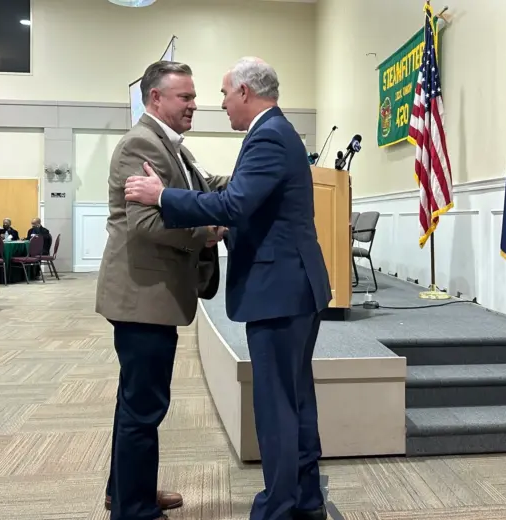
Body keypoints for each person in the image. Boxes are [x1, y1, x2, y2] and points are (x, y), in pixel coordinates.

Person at [125, 57, 332, 520]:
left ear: (244, 93)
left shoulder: (268, 135)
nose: (217, 104)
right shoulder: (275, 132)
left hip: (280, 290)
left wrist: (161, 196)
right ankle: (305, 499)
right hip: (292, 287)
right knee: (295, 399)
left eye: (221, 94)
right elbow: (245, 195)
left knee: (277, 406)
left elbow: (236, 203)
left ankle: (279, 507)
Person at [96, 60, 227, 520]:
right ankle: (134, 509)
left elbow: (204, 186)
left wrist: (254, 177)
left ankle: (125, 491)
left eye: (193, 96)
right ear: (156, 98)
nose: (194, 105)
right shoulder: (140, 144)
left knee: (134, 400)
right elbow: (148, 222)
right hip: (141, 297)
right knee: (144, 407)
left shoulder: (172, 147)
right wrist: (207, 232)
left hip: (149, 296)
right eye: (185, 97)